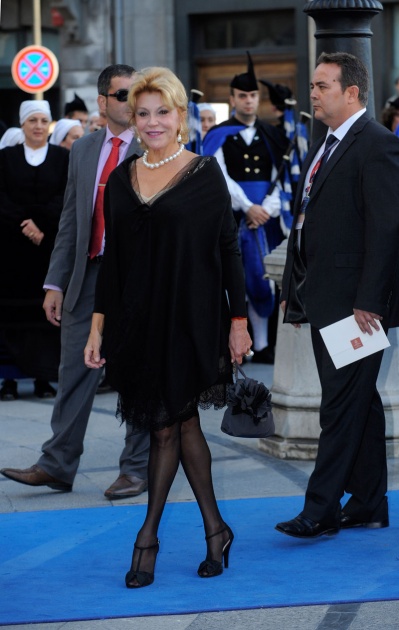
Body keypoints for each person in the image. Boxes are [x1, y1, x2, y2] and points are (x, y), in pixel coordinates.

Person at [84, 66, 251, 588]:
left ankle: (147, 538)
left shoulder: (204, 174)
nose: (153, 122)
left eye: (164, 111)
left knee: (163, 426)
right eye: (143, 113)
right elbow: (112, 265)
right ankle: (216, 529)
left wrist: (239, 321)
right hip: (139, 322)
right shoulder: (120, 178)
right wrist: (97, 329)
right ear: (130, 119)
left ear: (182, 116)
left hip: (192, 320)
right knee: (181, 426)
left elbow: (228, 251)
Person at [0, 64, 150, 500]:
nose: (132, 102)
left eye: (137, 93)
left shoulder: (153, 145)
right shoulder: (83, 150)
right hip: (87, 275)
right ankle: (57, 464)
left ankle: (136, 467)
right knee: (72, 370)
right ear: (103, 102)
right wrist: (55, 282)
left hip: (135, 279)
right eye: (123, 95)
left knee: (136, 371)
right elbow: (70, 221)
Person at [275, 52, 399, 539]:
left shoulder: (377, 145)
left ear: (352, 93)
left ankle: (321, 508)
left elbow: (387, 230)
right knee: (358, 401)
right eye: (312, 85)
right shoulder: (323, 144)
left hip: (357, 308)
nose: (313, 93)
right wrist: (293, 289)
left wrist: (370, 301)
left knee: (341, 405)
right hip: (324, 298)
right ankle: (368, 502)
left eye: (322, 85)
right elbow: (306, 222)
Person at [203, 52, 288, 364]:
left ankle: (264, 344)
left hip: (267, 217)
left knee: (265, 278)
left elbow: (286, 176)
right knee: (239, 277)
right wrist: (247, 206)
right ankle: (235, 341)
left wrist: (267, 207)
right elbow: (218, 174)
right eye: (243, 96)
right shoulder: (218, 135)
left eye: (253, 95)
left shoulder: (274, 135)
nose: (249, 101)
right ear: (232, 98)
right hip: (233, 216)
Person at [0, 101, 69, 400]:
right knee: (10, 319)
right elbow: (1, 195)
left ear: (50, 124)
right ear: (23, 124)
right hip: (12, 250)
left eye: (43, 120)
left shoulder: (62, 158)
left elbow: (66, 194)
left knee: (46, 316)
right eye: (32, 121)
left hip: (47, 248)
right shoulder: (5, 158)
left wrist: (40, 224)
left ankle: (44, 378)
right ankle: (10, 380)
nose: (38, 126)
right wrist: (23, 223)